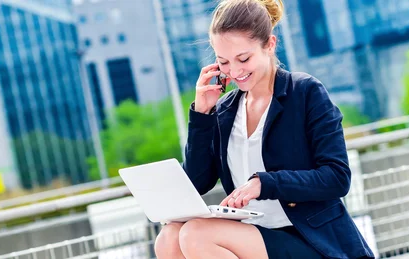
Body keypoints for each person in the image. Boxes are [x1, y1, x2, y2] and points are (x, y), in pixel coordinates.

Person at [154, 0, 375, 258]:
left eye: (243, 58)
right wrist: (202, 115)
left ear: (269, 45)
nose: (234, 71)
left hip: (310, 239)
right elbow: (197, 182)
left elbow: (337, 177)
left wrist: (264, 183)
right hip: (254, 234)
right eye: (223, 62)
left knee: (196, 235)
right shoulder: (225, 110)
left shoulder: (304, 92)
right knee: (169, 237)